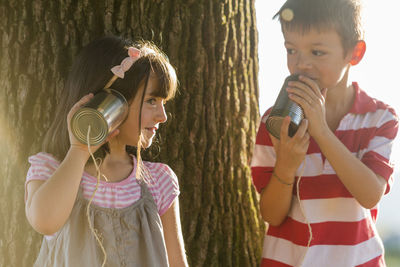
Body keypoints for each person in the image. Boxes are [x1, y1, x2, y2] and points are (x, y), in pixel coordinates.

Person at [251, 0, 398, 266]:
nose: (301, 64)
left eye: (317, 52)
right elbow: (272, 215)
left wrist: (322, 131)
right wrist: (286, 165)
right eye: (291, 50)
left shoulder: (379, 118)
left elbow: (370, 194)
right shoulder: (276, 121)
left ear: (354, 53)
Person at [25, 35, 188, 267]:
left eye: (163, 103)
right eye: (151, 100)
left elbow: (177, 263)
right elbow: (45, 221)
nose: (163, 116)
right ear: (111, 99)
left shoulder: (158, 181)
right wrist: (79, 150)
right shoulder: (52, 169)